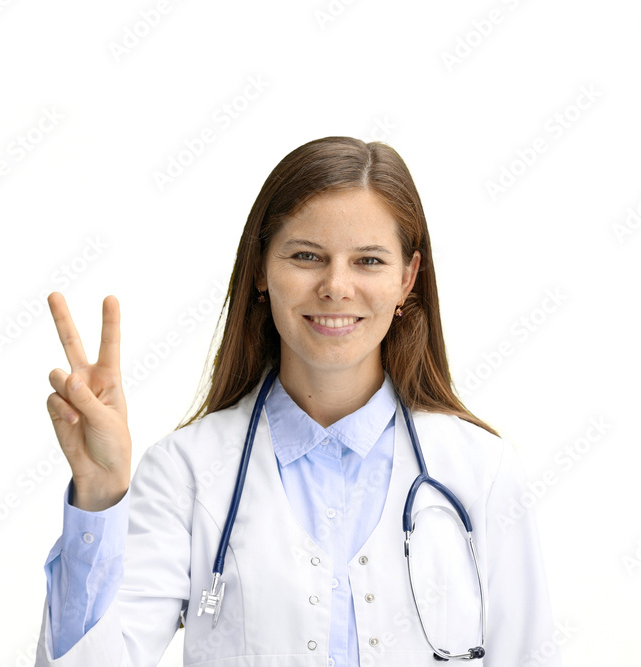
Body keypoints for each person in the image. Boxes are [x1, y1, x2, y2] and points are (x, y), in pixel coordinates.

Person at [34, 136, 562, 666]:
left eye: (369, 261)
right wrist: (99, 493)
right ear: (262, 269)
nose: (336, 286)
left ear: (407, 279)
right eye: (307, 256)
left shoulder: (481, 471)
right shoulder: (186, 473)